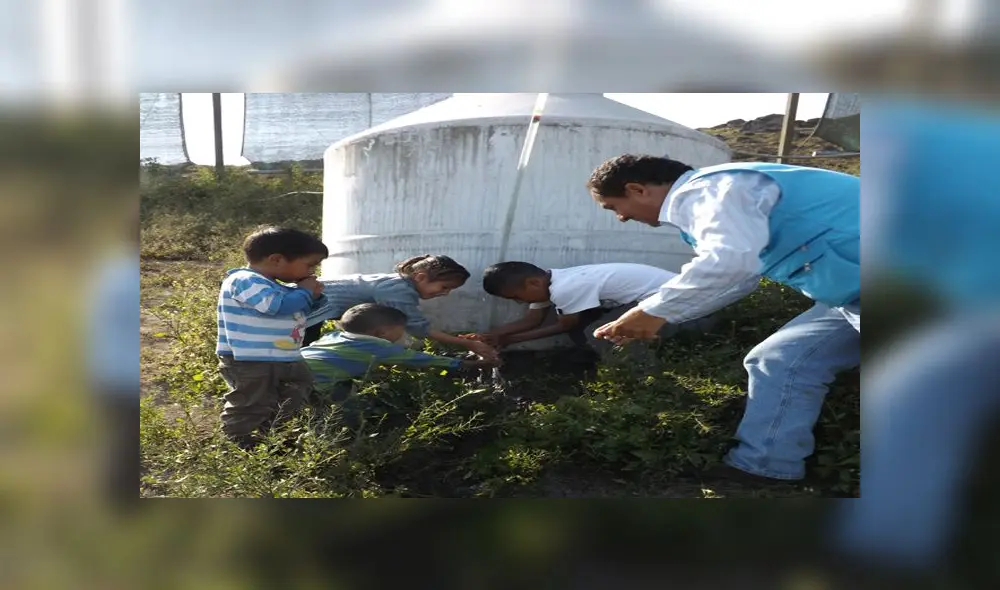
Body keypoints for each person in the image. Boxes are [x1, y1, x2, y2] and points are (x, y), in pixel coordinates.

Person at [587, 154, 860, 483]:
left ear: (637, 189)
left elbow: (728, 261)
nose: (620, 218)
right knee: (780, 360)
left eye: (614, 207)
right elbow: (740, 279)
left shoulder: (709, 191)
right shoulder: (715, 199)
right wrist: (660, 317)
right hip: (849, 294)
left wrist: (652, 311)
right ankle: (766, 465)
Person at [216, 226, 329, 448]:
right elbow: (276, 307)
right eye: (309, 264)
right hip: (250, 360)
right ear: (277, 259)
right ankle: (239, 445)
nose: (312, 270)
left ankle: (274, 438)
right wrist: (304, 292)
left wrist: (313, 297)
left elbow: (299, 309)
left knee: (295, 393)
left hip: (285, 356)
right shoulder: (244, 280)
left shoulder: (278, 287)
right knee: (250, 403)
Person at [475, 261, 717, 358]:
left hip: (682, 307)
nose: (519, 302)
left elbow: (563, 326)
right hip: (666, 303)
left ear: (533, 283)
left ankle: (637, 378)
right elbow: (532, 320)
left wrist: (510, 340)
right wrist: (496, 334)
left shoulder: (565, 288)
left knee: (600, 334)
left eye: (517, 297)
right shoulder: (552, 282)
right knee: (585, 328)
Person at [302, 255, 499, 361]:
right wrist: (465, 343)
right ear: (421, 277)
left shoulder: (397, 284)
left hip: (314, 304)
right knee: (297, 352)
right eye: (444, 287)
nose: (445, 293)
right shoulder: (399, 290)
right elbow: (417, 327)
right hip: (309, 306)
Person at [302, 303, 498, 401]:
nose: (403, 334)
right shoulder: (379, 347)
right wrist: (475, 364)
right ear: (382, 332)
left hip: (289, 366)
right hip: (311, 382)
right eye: (400, 330)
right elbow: (422, 360)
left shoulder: (334, 336)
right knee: (345, 406)